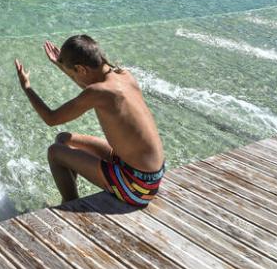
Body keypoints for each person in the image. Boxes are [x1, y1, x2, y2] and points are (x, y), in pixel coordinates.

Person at [14, 35, 165, 207]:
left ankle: (71, 202)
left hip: (136, 187)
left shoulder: (98, 92)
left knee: (55, 152)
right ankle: (70, 194)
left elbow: (51, 118)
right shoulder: (123, 76)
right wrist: (64, 67)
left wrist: (27, 87)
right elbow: (90, 90)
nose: (74, 77)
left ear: (81, 69)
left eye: (74, 73)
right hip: (150, 178)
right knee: (64, 139)